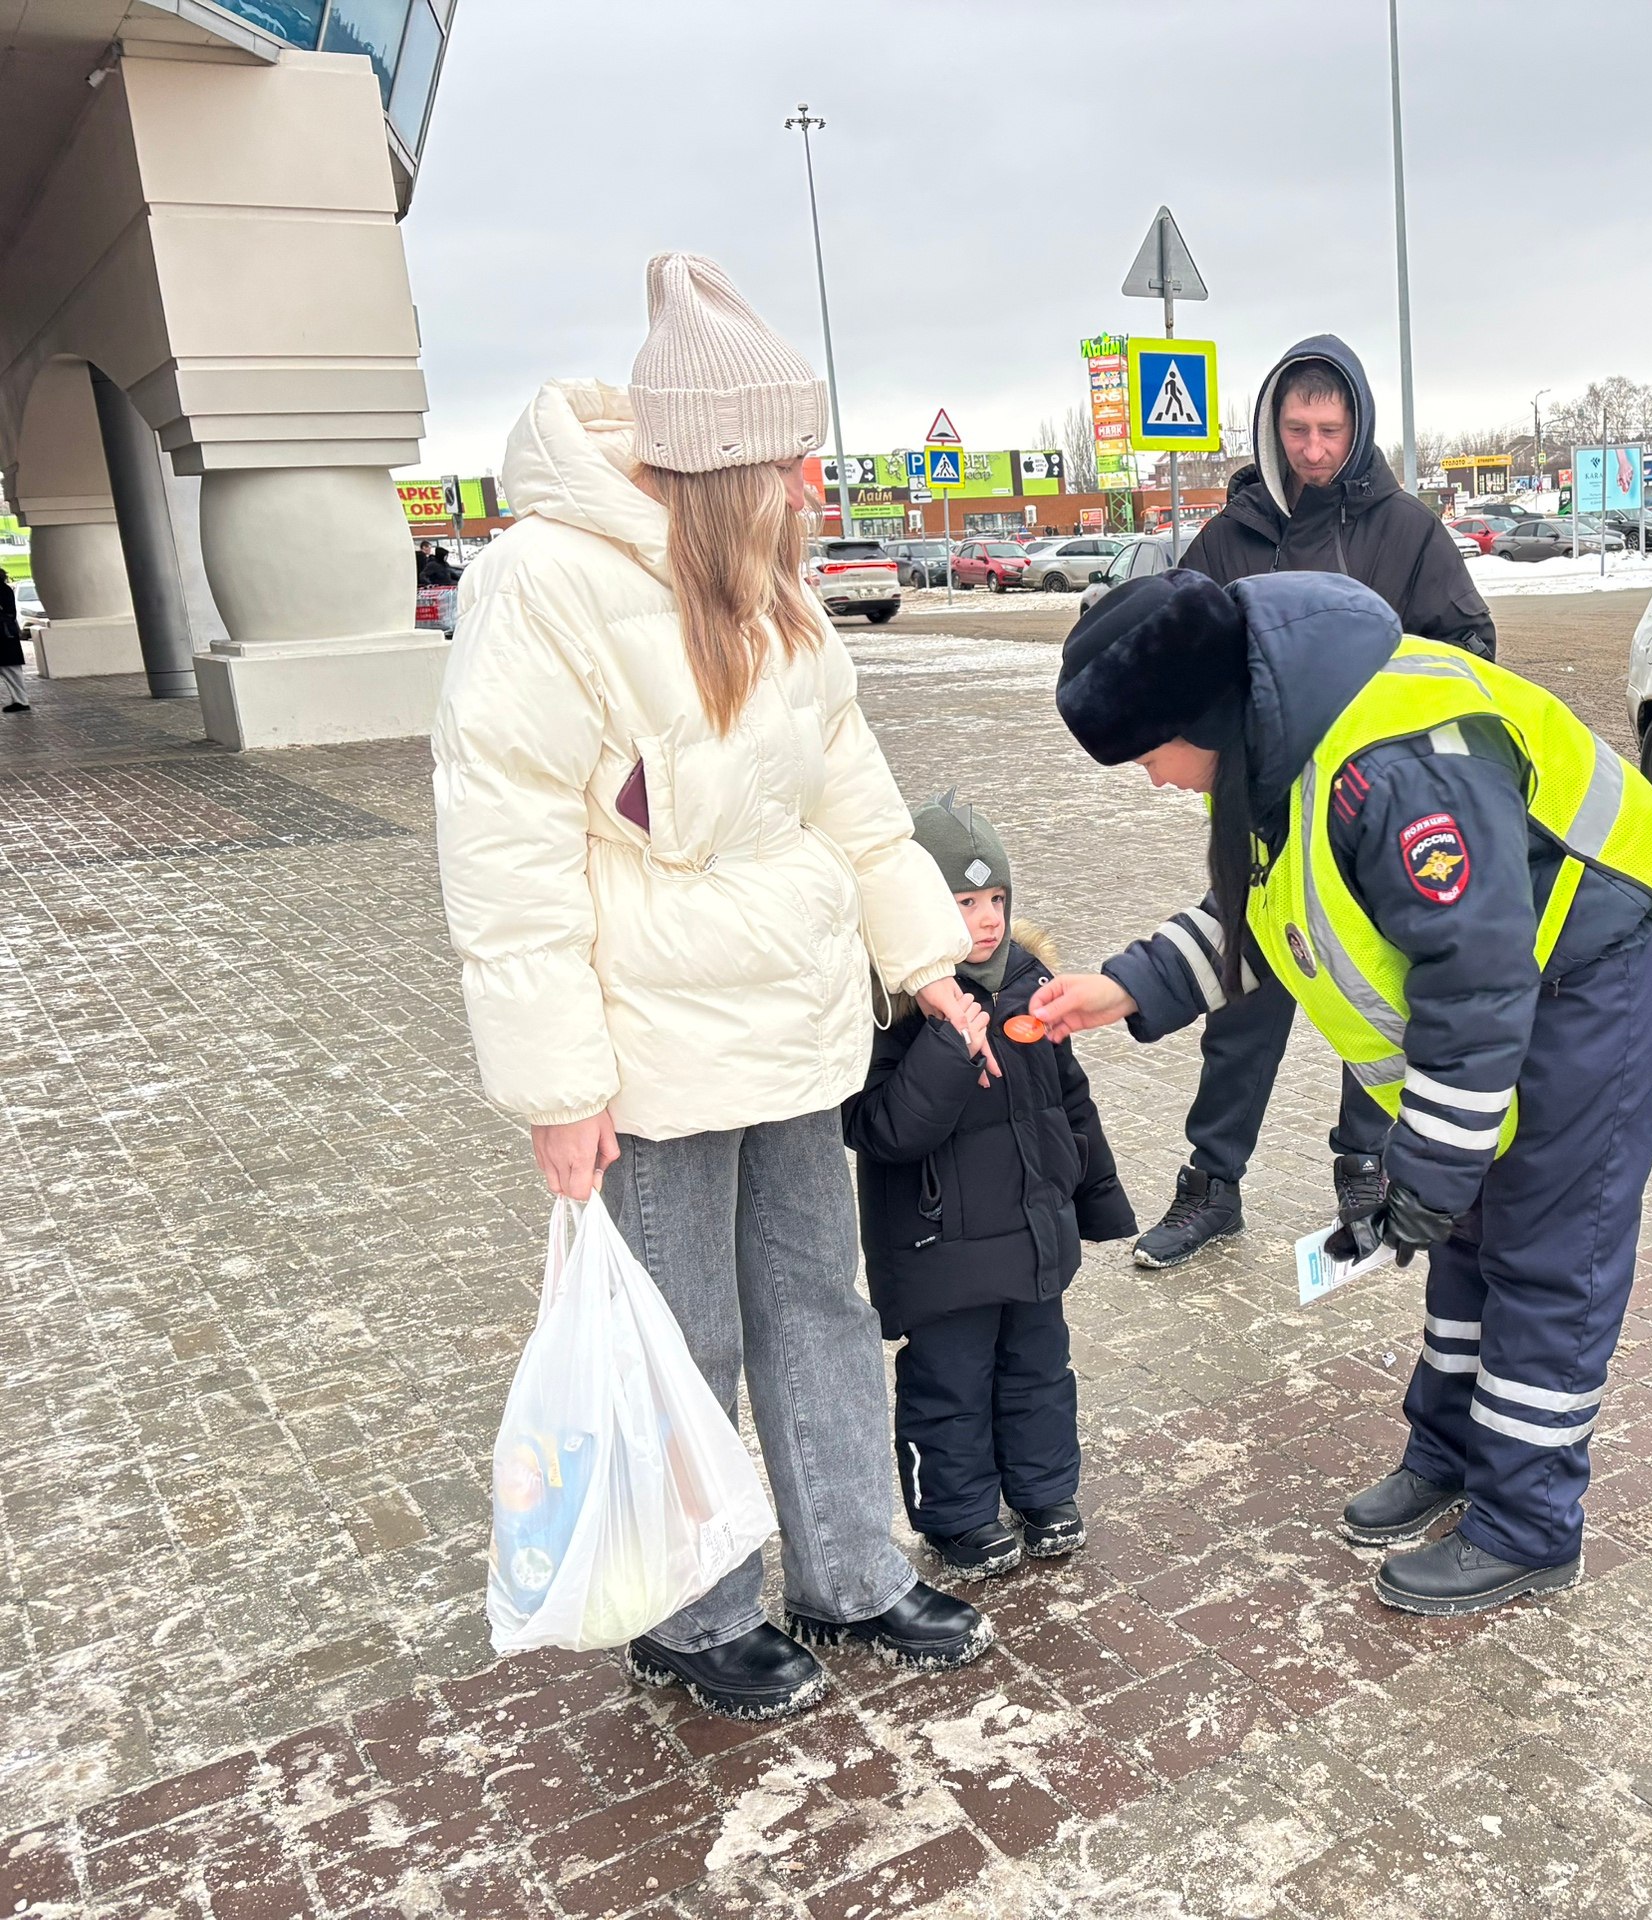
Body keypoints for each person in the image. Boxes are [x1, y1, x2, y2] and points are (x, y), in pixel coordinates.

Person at [432, 252, 998, 1721]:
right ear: (715, 460)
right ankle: (690, 1614)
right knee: (683, 1330)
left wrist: (924, 960)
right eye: (786, 459)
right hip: (652, 1044)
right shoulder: (543, 582)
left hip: (795, 1022)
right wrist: (558, 1089)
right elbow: (505, 845)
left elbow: (854, 800)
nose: (811, 482)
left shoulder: (775, 591)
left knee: (814, 1294)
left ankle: (852, 1570)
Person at [1031, 570, 1652, 1615]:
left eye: (1151, 755)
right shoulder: (1283, 742)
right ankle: (1449, 1455)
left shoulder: (1390, 771)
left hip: (1590, 968)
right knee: (1470, 1237)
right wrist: (1125, 985)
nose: (1158, 781)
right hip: (1508, 974)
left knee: (1545, 1252)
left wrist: (1429, 1163)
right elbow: (1262, 903)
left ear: (1199, 717)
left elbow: (1472, 984)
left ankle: (1526, 1525)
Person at [1132, 335, 1498, 1272]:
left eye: (1330, 428)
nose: (1313, 447)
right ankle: (1213, 1180)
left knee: (1370, 981)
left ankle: (1365, 1163)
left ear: (1358, 425)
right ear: (1272, 428)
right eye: (1296, 428)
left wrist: (1399, 730)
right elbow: (1182, 647)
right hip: (1258, 805)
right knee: (1243, 986)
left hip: (1371, 805)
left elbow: (1469, 643)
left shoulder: (1405, 529)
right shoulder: (1233, 535)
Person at [842, 796, 1135, 1581]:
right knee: (950, 1383)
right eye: (963, 903)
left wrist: (1095, 1198)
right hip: (942, 1248)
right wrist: (949, 1039)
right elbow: (881, 1128)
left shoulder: (1030, 983)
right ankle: (959, 1516)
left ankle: (1044, 1492)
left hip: (1035, 1232)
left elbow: (1066, 1098)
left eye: (995, 899)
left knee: (1040, 1369)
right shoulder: (891, 1006)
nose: (986, 919)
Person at [0, 580, 27, 712]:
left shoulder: (3, 590)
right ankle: (20, 700)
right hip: (6, 637)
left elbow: (8, 613)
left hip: (4, 637)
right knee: (11, 671)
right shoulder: (4, 588)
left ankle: (21, 701)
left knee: (11, 670)